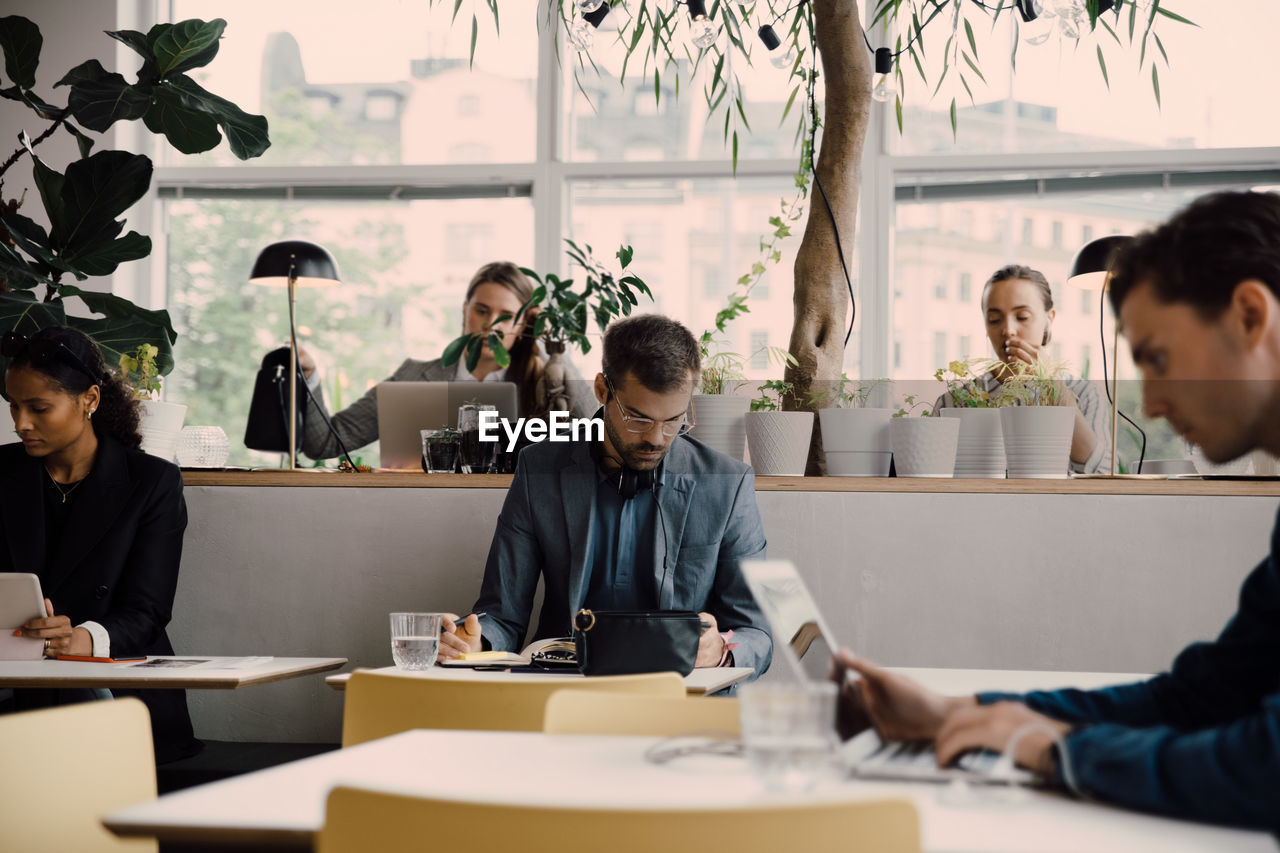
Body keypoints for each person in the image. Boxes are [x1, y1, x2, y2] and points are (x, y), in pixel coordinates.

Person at [834, 190, 1280, 831]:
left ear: (1248, 315)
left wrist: (1043, 746)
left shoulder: (1068, 389)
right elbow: (1200, 696)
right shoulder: (967, 393)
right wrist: (959, 712)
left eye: (1157, 358)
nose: (1149, 403)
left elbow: (1262, 767)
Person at [438, 313, 772, 676]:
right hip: (564, 685)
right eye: (638, 418)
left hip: (680, 694)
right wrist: (476, 641)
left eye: (674, 420)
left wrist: (720, 648)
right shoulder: (539, 470)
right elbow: (502, 613)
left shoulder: (727, 484)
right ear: (601, 389)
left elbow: (756, 633)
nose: (657, 438)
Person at [1, 326, 200, 764]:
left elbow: (147, 610)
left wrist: (82, 638)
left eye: (38, 408)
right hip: (12, 685)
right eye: (13, 406)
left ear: (89, 400)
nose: (21, 424)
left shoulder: (152, 482)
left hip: (118, 692)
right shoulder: (3, 473)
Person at [299, 261, 596, 460]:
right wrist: (309, 375)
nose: (491, 324)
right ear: (465, 310)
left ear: (524, 324)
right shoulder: (413, 377)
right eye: (481, 310)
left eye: (506, 316)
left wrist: (553, 351)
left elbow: (596, 433)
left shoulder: (542, 383)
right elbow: (324, 443)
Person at [936, 264, 1111, 474]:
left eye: (1022, 317)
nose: (1008, 330)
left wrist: (1053, 386)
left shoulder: (1085, 394)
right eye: (994, 319)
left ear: (1049, 320)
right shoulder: (953, 403)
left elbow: (1100, 474)